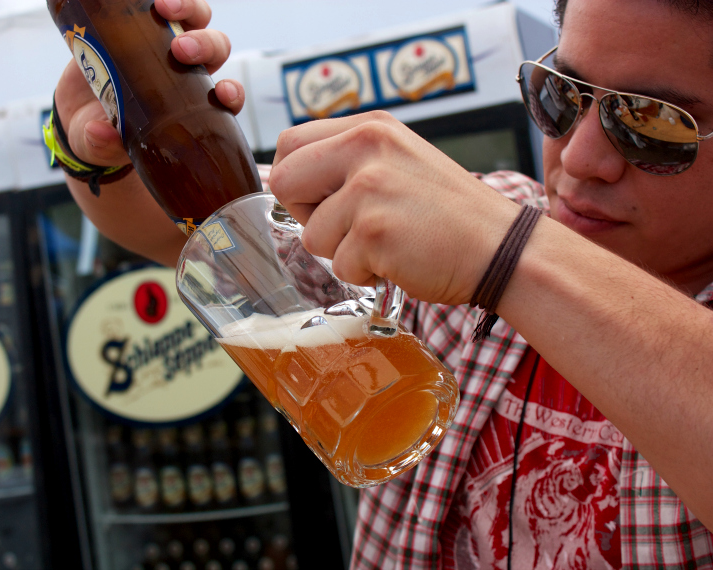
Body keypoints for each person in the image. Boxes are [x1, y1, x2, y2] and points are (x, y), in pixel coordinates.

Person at [52, 0, 713, 567]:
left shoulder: (494, 236)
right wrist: (93, 143)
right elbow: (193, 233)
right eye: (562, 94)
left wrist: (508, 252)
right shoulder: (479, 223)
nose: (577, 158)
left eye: (651, 123)